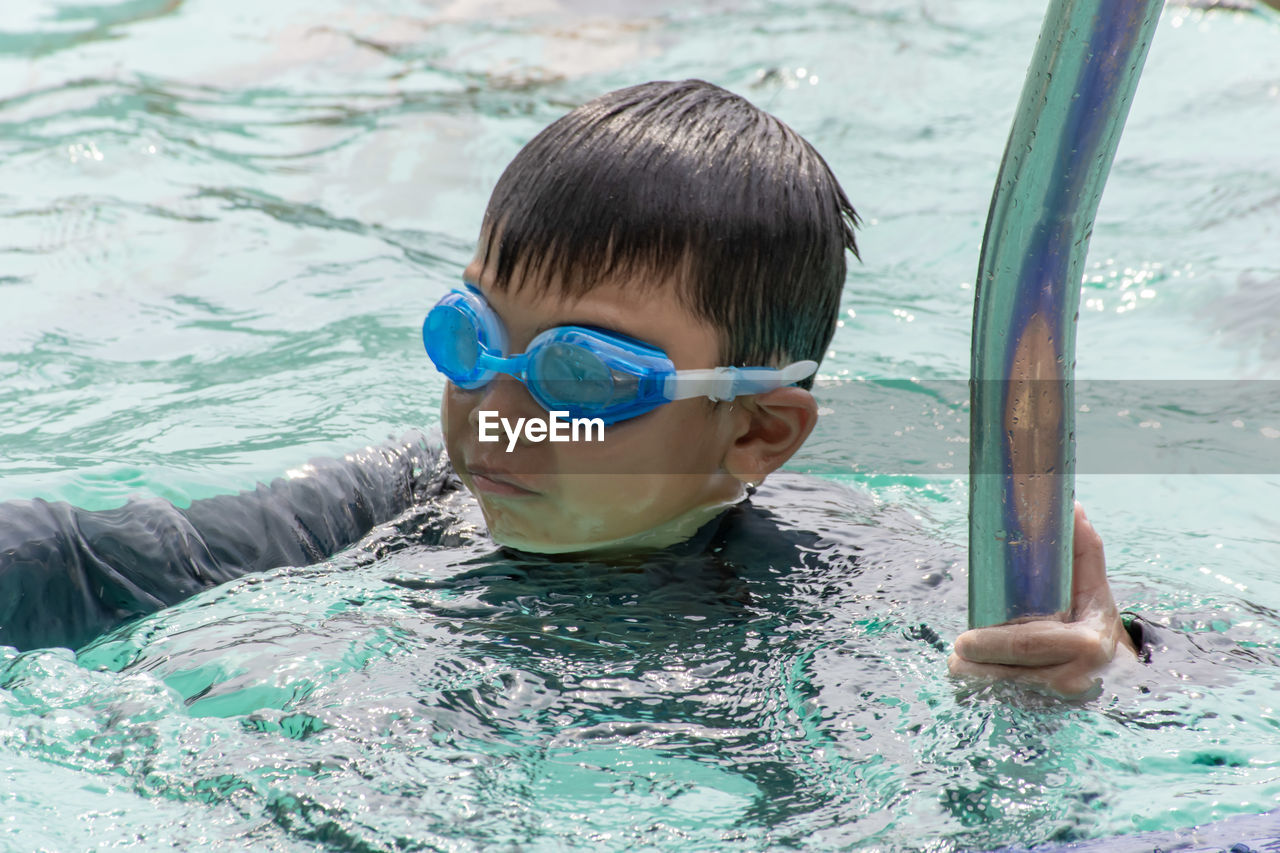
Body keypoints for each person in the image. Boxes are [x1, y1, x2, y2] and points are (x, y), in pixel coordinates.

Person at [0, 80, 1137, 696]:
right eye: (470, 336)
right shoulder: (396, 503)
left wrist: (1098, 658)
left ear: (753, 432)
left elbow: (1169, 670)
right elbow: (103, 565)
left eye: (580, 373)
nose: (494, 405)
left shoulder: (836, 581)